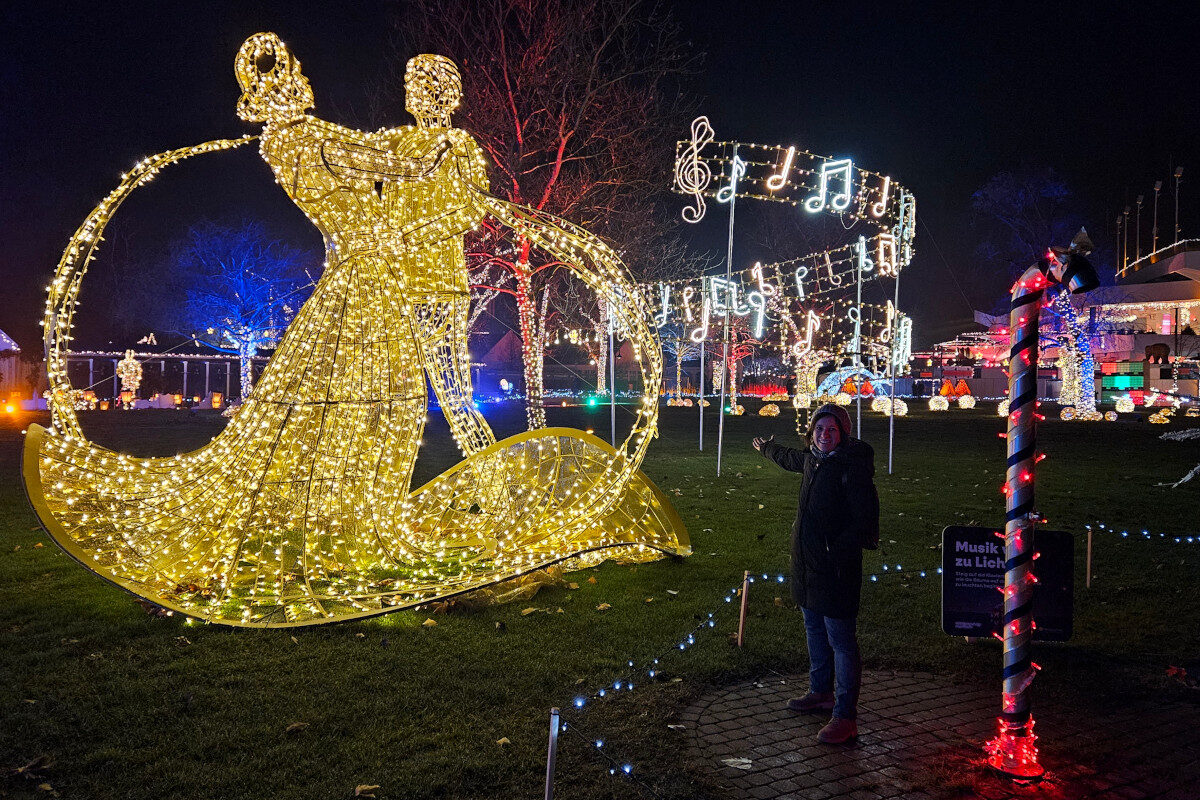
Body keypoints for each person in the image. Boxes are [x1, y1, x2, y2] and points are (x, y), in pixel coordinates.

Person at [752, 403, 876, 744]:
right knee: (814, 630)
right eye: (819, 430)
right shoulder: (814, 460)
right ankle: (820, 692)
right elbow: (791, 459)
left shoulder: (852, 467)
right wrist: (767, 449)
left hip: (835, 569)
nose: (824, 435)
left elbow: (865, 523)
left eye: (831, 430)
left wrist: (835, 550)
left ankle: (845, 715)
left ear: (843, 434)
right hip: (807, 564)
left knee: (841, 640)